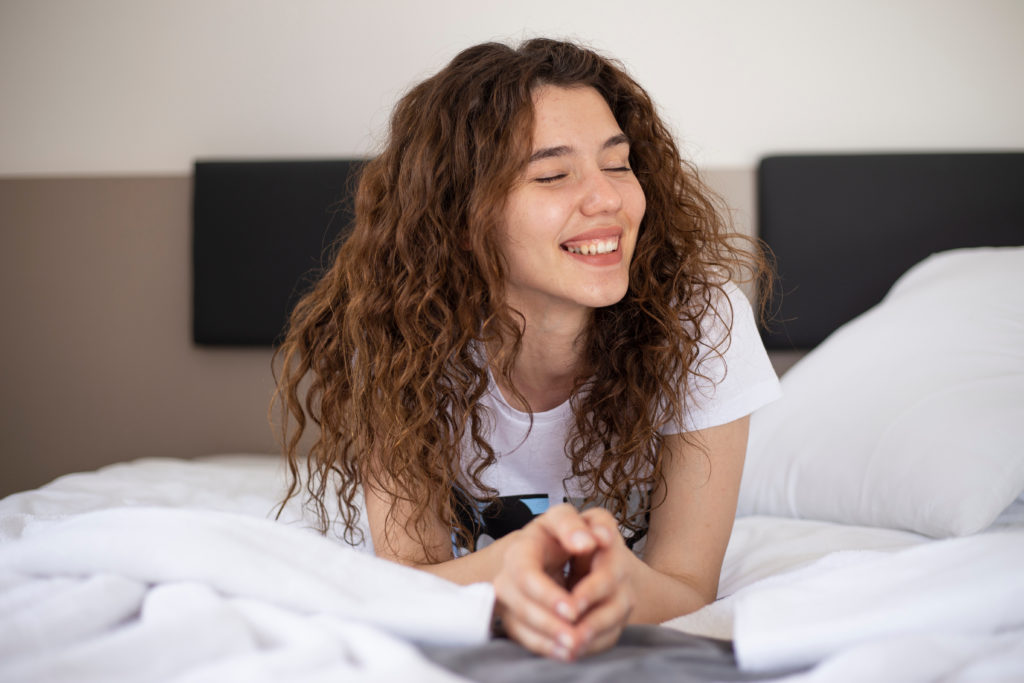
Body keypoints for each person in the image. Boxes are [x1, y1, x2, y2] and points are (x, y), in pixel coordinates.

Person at [273, 38, 781, 662]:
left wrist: (625, 592)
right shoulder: (397, 330)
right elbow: (406, 582)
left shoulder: (700, 320)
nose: (608, 200)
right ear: (463, 216)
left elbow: (686, 586)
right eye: (552, 175)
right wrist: (503, 572)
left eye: (618, 165)